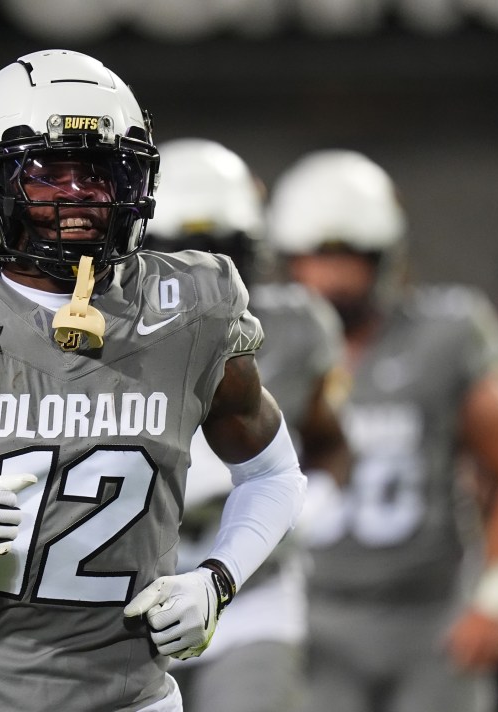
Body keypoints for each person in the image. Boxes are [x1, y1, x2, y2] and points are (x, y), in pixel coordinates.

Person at [0, 49, 307, 712]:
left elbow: (274, 475)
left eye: (100, 173)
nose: (78, 196)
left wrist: (216, 581)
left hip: (133, 699)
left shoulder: (193, 303)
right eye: (49, 173)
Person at [267, 149, 498, 712]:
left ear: (386, 259)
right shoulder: (264, 345)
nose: (330, 278)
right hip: (310, 616)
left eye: (349, 257)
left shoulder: (443, 337)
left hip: (428, 617)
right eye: (316, 257)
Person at [145, 137, 349, 712]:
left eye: (219, 249)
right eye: (183, 250)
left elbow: (331, 440)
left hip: (250, 591)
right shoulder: (103, 328)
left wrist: (299, 505)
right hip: (136, 597)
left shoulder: (294, 323)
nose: (203, 270)